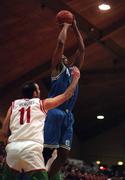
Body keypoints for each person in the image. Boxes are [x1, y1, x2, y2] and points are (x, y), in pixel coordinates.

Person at [2, 69, 80, 180]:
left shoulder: (13, 105)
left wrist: (9, 147)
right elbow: (67, 95)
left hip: (13, 148)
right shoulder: (42, 104)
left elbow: (4, 132)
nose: (39, 91)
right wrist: (76, 78)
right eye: (38, 89)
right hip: (31, 149)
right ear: (35, 93)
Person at [43, 18, 85, 180]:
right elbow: (60, 43)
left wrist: (75, 27)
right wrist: (66, 26)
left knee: (64, 154)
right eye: (62, 57)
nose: (65, 57)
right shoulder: (56, 71)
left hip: (68, 115)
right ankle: (35, 176)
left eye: (66, 57)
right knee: (46, 151)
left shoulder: (74, 70)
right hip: (55, 111)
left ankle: (47, 177)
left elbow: (82, 49)